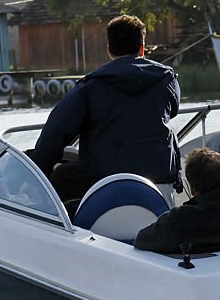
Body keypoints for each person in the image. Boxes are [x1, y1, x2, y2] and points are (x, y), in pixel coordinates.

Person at [31, 15, 181, 201]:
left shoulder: (89, 87)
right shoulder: (166, 79)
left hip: (106, 185)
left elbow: (55, 132)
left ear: (109, 50)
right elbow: (173, 110)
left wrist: (37, 174)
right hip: (160, 182)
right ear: (142, 47)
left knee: (64, 175)